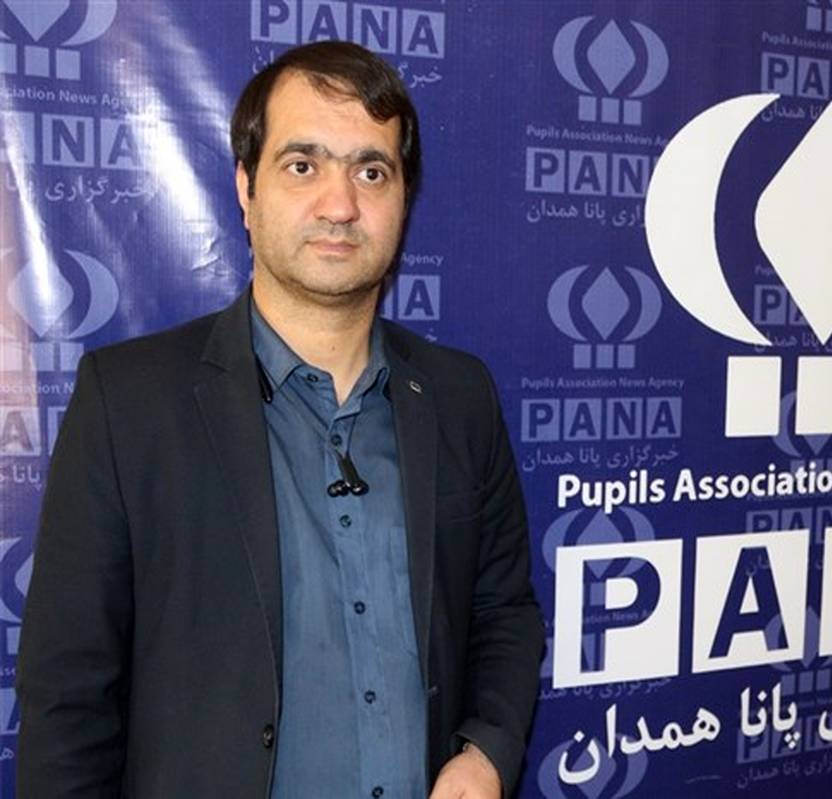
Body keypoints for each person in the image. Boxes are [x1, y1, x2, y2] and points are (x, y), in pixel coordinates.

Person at [16, 41, 543, 799]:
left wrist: (485, 751)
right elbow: (67, 703)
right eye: (303, 165)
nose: (340, 205)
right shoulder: (128, 404)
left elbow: (505, 612)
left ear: (403, 198)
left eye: (371, 171)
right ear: (246, 187)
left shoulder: (461, 396)